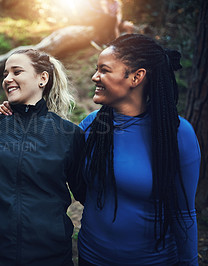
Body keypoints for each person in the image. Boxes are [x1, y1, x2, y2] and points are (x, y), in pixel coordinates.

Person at [77, 34, 200, 265]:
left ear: (136, 77)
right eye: (96, 69)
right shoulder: (91, 125)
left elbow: (184, 213)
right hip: (91, 257)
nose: (95, 77)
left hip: (153, 261)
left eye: (104, 70)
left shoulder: (177, 133)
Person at [0, 49, 85, 266]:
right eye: (5, 74)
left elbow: (87, 193)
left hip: (51, 256)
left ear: (42, 78)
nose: (8, 79)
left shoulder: (69, 134)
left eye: (17, 72)